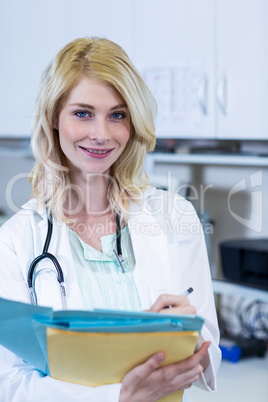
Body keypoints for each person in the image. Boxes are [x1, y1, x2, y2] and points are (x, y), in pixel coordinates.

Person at [0, 37, 221, 402]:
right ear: (55, 118)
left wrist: (190, 335)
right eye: (83, 113)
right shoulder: (14, 242)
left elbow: (210, 359)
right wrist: (121, 397)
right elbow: (10, 384)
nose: (101, 134)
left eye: (117, 115)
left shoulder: (175, 218)